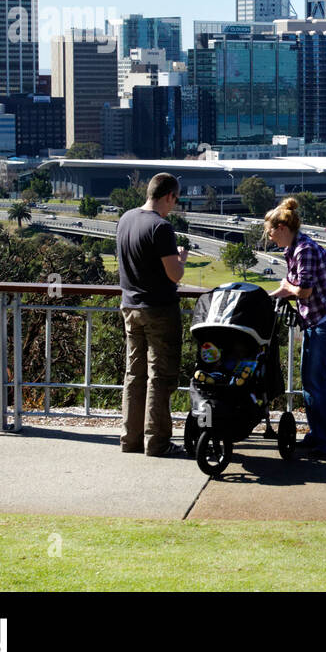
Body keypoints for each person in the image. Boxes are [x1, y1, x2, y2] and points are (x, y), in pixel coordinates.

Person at [266, 198, 326, 456]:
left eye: (270, 231)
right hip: (316, 321)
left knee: (316, 382)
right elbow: (287, 287)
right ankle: (317, 435)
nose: (269, 236)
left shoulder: (305, 251)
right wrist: (266, 299)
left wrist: (288, 288)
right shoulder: (293, 250)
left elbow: (303, 291)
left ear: (282, 227)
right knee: (310, 381)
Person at [116, 172, 188, 457]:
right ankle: (156, 441)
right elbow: (174, 274)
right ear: (169, 195)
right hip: (158, 309)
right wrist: (181, 260)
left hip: (130, 306)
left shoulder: (126, 219)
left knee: (134, 374)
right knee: (160, 375)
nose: (175, 205)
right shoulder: (161, 228)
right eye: (176, 199)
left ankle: (130, 438)